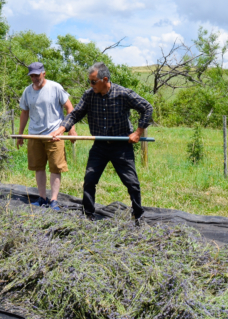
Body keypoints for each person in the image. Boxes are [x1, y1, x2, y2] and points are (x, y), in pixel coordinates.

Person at [51, 62, 152, 221]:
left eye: (93, 81)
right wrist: (62, 128)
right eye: (89, 82)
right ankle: (88, 216)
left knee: (132, 183)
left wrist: (138, 132)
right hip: (99, 146)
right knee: (89, 180)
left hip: (121, 145)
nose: (91, 85)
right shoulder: (89, 95)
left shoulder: (123, 94)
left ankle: (137, 216)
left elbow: (147, 108)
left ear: (105, 79)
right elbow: (75, 113)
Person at [17, 62, 76, 211]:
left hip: (55, 134)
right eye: (32, 76)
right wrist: (20, 134)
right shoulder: (27, 92)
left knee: (55, 168)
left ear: (44, 73)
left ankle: (54, 200)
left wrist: (71, 129)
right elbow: (24, 112)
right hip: (34, 136)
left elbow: (70, 108)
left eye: (37, 75)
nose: (35, 78)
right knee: (38, 167)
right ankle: (42, 197)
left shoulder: (55, 88)